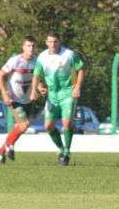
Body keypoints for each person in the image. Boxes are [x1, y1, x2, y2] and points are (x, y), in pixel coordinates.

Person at [30, 31, 85, 166]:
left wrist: (77, 87)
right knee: (48, 126)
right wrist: (36, 88)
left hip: (68, 93)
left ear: (59, 42)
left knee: (67, 123)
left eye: (55, 41)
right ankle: (61, 148)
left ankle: (66, 153)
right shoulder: (42, 57)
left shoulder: (69, 54)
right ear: (46, 42)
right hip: (52, 95)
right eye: (50, 42)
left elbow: (81, 69)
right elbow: (37, 75)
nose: (53, 44)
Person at [0, 35, 38, 164]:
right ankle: (9, 145)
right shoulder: (15, 60)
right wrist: (4, 93)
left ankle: (1, 151)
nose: (31, 48)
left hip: (28, 99)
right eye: (28, 46)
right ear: (23, 47)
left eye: (33, 46)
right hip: (14, 99)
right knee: (24, 125)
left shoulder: (36, 61)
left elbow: (37, 78)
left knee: (20, 127)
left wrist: (40, 87)